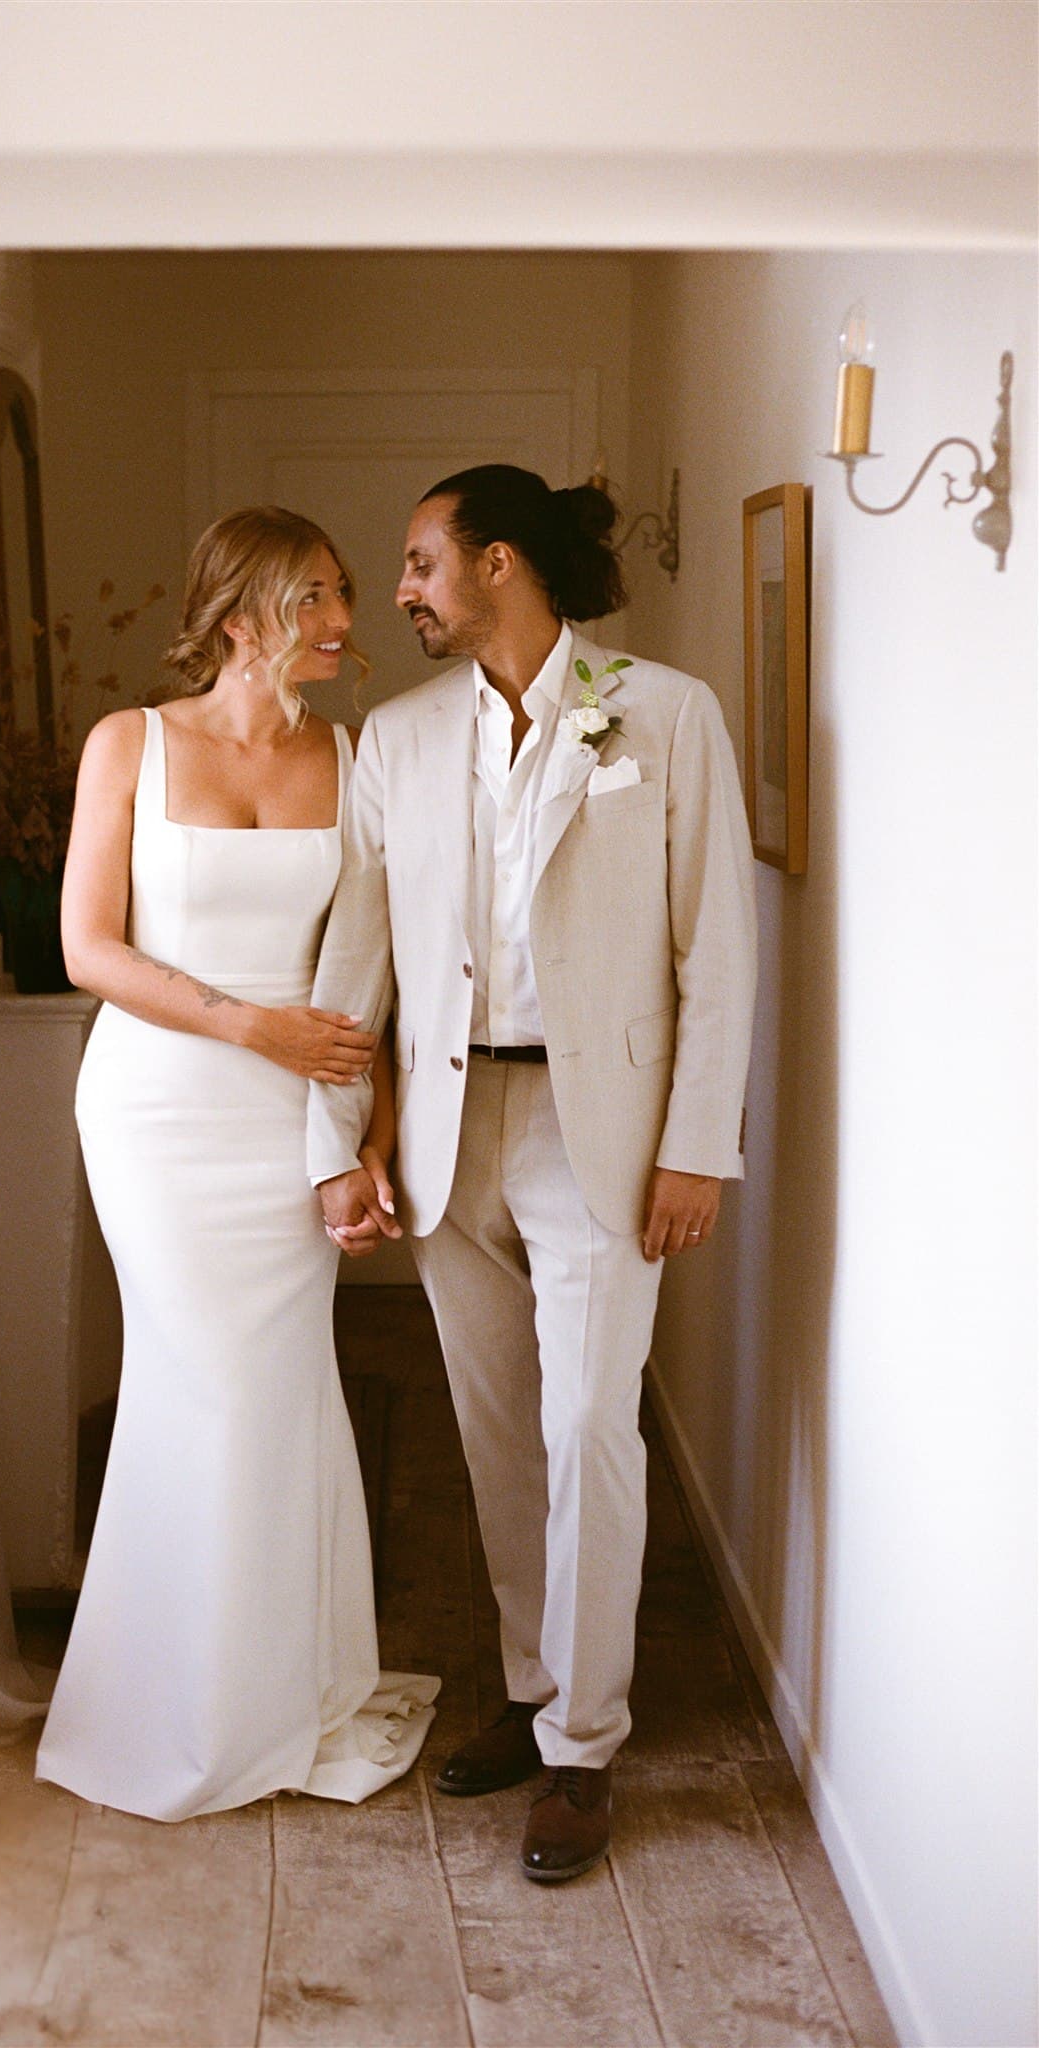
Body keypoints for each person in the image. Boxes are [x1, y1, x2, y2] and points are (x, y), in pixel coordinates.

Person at [308, 464, 757, 1881]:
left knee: (586, 1431)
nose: (400, 591)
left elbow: (717, 954)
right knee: (497, 1432)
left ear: (497, 562)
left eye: (418, 561)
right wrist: (341, 1146)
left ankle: (583, 1745)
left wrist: (695, 1145)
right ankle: (529, 1684)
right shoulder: (393, 736)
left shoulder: (662, 711)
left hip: (599, 1132)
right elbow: (359, 957)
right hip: (450, 1129)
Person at [36, 506, 438, 1822]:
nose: (343, 619)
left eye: (338, 592)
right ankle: (170, 1707)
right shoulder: (130, 745)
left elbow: (371, 975)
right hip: (161, 1111)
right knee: (197, 1383)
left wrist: (363, 1141)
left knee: (278, 1390)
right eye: (316, 595)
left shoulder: (353, 755)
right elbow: (87, 949)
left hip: (299, 1119)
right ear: (239, 612)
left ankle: (292, 1694)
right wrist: (247, 1025)